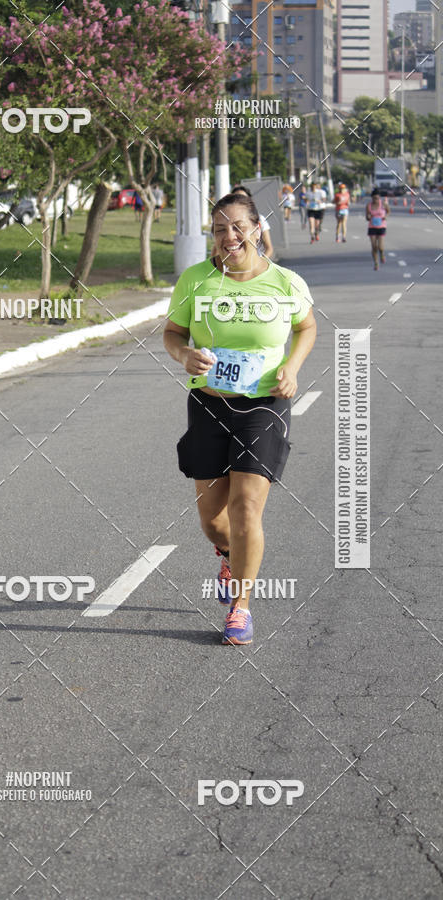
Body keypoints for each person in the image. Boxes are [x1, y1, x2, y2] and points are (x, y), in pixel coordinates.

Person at [163, 192, 316, 645]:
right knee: (213, 518)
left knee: (246, 505)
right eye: (219, 229)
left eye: (237, 227)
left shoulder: (285, 282)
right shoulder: (196, 280)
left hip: (264, 405)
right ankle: (228, 552)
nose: (228, 236)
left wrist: (291, 367)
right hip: (210, 404)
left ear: (255, 228)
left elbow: (306, 327)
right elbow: (172, 333)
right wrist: (184, 354)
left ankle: (241, 607)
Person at [230, 185, 274, 258]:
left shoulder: (260, 219)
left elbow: (269, 248)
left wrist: (260, 265)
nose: (239, 201)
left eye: (243, 198)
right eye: (236, 198)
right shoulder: (227, 221)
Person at [366, 188, 389, 270]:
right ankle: (376, 263)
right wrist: (369, 217)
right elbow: (367, 217)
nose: (376, 200)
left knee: (380, 247)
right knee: (374, 246)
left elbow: (388, 211)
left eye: (377, 198)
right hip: (372, 227)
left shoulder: (383, 204)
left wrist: (385, 217)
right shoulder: (369, 205)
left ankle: (382, 254)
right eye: (374, 198)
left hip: (381, 226)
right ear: (372, 198)